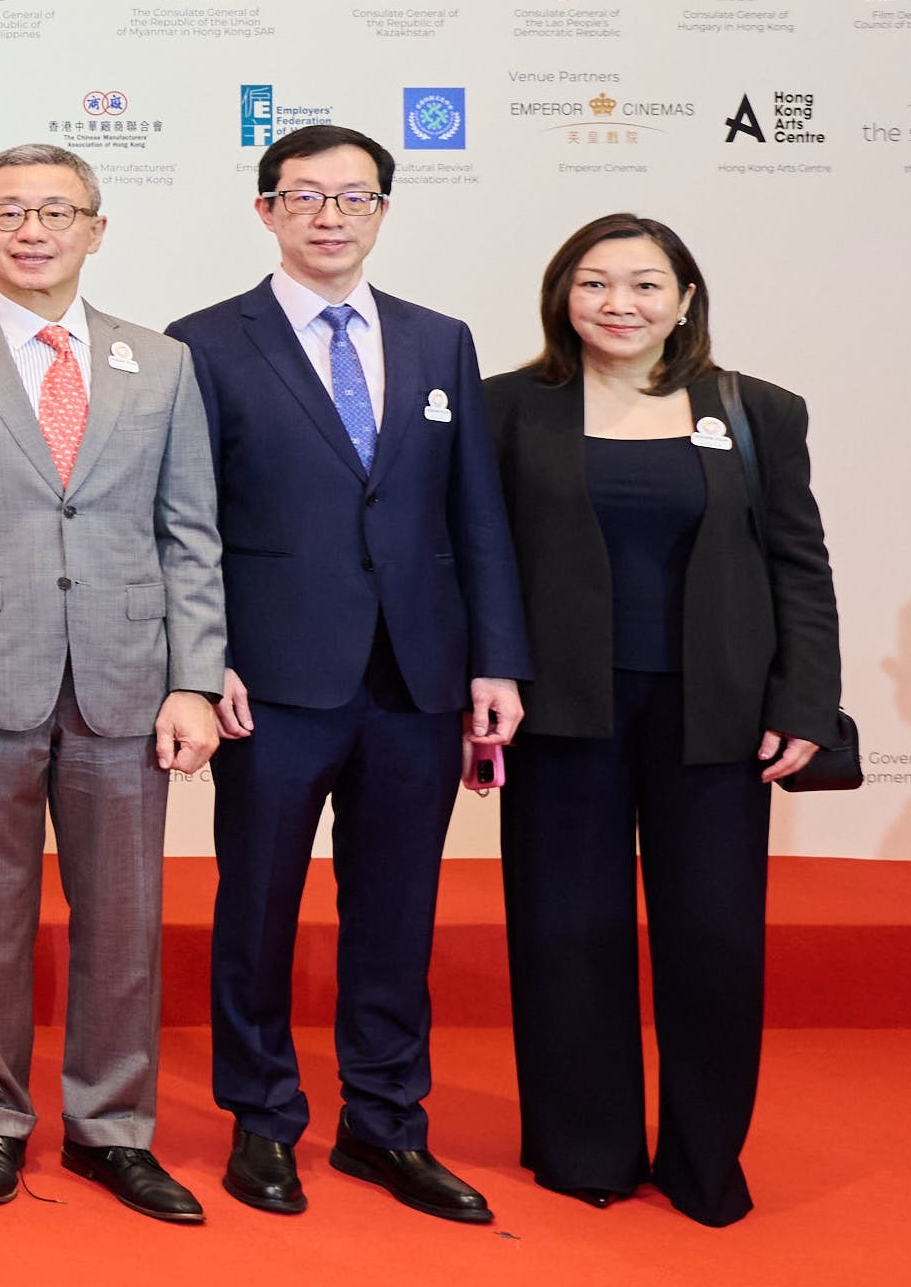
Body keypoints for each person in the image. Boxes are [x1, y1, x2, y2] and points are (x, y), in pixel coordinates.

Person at [172, 125, 530, 1225]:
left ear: (382, 210)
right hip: (272, 679)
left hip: (417, 679)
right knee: (258, 907)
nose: (330, 216)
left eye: (354, 197)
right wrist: (205, 659)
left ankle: (384, 1124)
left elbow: (475, 512)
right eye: (305, 196)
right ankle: (262, 1118)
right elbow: (185, 520)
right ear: (265, 210)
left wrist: (495, 661)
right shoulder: (204, 343)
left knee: (397, 913)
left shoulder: (437, 341)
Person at [0, 145, 228, 1224]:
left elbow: (189, 531)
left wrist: (194, 678)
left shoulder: (160, 363)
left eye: (57, 212)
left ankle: (111, 1129)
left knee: (124, 920)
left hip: (127, 681)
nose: (33, 231)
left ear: (96, 229)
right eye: (10, 212)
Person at [484, 214, 838, 1227]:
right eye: (594, 282)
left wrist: (804, 699)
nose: (619, 304)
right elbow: (478, 555)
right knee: (566, 933)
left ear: (684, 299)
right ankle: (584, 1146)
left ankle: (701, 1159)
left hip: (717, 714)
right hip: (563, 710)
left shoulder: (757, 409)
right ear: (562, 296)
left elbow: (798, 564)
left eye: (645, 284)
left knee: (713, 939)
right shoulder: (507, 408)